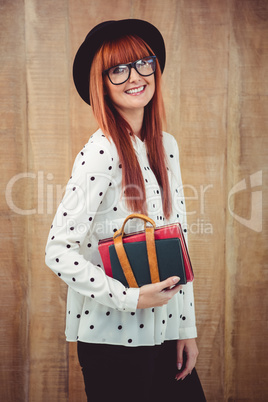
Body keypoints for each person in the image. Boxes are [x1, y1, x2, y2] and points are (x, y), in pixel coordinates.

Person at [45, 19, 206, 402]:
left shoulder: (166, 146)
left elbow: (175, 241)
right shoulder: (101, 152)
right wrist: (130, 298)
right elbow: (57, 251)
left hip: (166, 333)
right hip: (112, 342)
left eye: (142, 63)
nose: (135, 77)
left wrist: (186, 328)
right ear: (101, 84)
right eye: (118, 69)